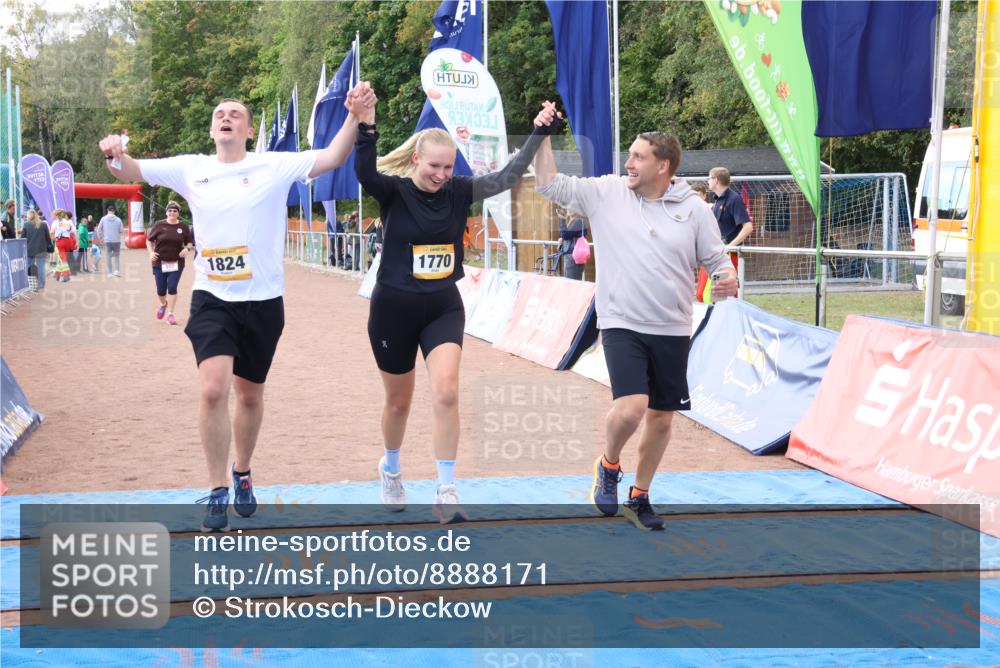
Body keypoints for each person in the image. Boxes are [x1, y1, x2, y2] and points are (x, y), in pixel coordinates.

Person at [99, 87, 376, 531]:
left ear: (247, 131)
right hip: (213, 298)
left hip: (263, 301)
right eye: (219, 114)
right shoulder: (192, 168)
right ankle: (216, 489)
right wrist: (115, 153)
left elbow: (332, 157)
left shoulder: (272, 165)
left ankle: (242, 472)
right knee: (213, 390)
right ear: (213, 129)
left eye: (235, 114)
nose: (226, 118)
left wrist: (355, 117)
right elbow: (131, 169)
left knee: (249, 395)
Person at [355, 97, 559, 523]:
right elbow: (364, 173)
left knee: (447, 391)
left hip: (442, 307)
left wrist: (540, 131)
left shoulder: (459, 191)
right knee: (399, 403)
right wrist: (366, 129)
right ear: (417, 159)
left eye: (448, 167)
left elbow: (507, 176)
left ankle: (446, 489)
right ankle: (391, 468)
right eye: (435, 166)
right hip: (393, 310)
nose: (442, 175)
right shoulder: (394, 192)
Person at [533, 111, 738, 531]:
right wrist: (542, 137)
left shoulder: (694, 210)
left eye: (638, 157)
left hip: (672, 326)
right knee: (631, 408)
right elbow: (549, 184)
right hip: (621, 321)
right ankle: (609, 465)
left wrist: (726, 277)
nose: (628, 163)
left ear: (663, 166)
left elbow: (717, 260)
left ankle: (640, 496)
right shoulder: (607, 193)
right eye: (629, 155)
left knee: (661, 418)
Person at [697, 166, 753, 302]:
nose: (708, 181)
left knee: (723, 295)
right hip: (714, 253)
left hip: (727, 256)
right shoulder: (717, 200)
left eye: (709, 178)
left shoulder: (734, 199)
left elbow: (748, 227)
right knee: (702, 294)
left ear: (716, 180)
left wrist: (730, 246)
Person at [146, 200, 194, 325]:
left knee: (172, 287)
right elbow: (149, 240)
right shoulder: (159, 224)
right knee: (161, 290)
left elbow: (190, 242)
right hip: (159, 262)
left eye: (175, 211)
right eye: (170, 210)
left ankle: (170, 314)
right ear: (166, 212)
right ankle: (163, 304)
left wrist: (186, 249)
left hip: (177, 263)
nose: (172, 212)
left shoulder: (183, 226)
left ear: (178, 213)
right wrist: (151, 253)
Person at [19, 209, 51, 291]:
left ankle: (29, 284)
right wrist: (50, 247)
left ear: (28, 216)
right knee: (41, 267)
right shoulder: (43, 224)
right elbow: (48, 237)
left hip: (30, 249)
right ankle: (41, 285)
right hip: (42, 249)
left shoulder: (26, 224)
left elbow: (22, 238)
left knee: (29, 266)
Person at [556, 207, 586, 280]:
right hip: (572, 256)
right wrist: (562, 239)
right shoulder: (573, 221)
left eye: (573, 207)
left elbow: (565, 235)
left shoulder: (578, 221)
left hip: (573, 258)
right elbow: (567, 236)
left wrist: (562, 219)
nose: (569, 209)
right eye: (568, 207)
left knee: (571, 282)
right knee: (571, 281)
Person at [96, 205, 124, 277]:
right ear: (114, 211)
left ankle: (110, 273)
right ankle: (116, 271)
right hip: (116, 240)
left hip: (107, 240)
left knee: (108, 256)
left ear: (107, 211)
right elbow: (121, 230)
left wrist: (101, 238)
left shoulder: (103, 219)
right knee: (117, 256)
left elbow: (99, 229)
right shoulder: (118, 219)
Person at [49, 209, 76, 282]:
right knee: (63, 258)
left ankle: (66, 275)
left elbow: (51, 232)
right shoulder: (68, 222)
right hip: (67, 241)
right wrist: (76, 241)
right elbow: (73, 231)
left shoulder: (55, 222)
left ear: (56, 215)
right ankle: (57, 274)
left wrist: (53, 238)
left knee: (63, 259)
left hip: (59, 241)